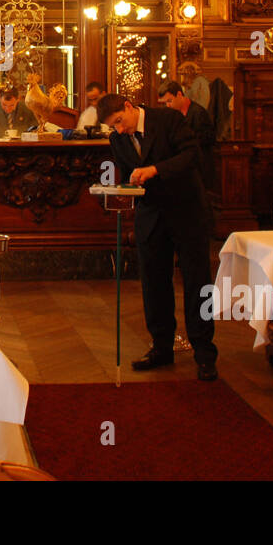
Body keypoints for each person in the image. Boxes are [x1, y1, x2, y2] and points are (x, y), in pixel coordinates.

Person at [97, 91, 217, 380]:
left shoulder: (169, 119)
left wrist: (154, 170)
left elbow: (192, 156)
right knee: (153, 283)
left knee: (196, 281)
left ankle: (204, 352)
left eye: (120, 121)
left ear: (129, 106)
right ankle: (161, 347)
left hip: (187, 210)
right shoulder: (118, 139)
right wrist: (118, 192)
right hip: (150, 217)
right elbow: (129, 177)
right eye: (113, 126)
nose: (120, 129)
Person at [158, 79, 216, 192]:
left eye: (169, 101)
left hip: (200, 169)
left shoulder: (198, 113)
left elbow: (209, 138)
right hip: (185, 170)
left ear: (179, 94)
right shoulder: (172, 115)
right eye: (165, 102)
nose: (167, 105)